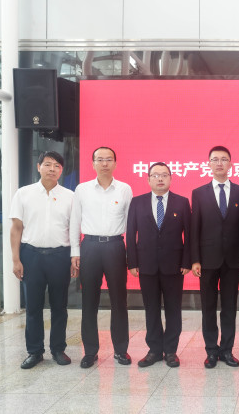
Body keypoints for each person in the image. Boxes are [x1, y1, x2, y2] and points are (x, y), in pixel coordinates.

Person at [10, 151, 75, 369]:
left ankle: (58, 349)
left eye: (57, 166)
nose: (52, 169)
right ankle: (35, 351)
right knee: (33, 307)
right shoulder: (23, 194)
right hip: (31, 256)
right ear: (39, 167)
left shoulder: (70, 196)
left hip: (60, 256)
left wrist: (74, 257)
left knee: (60, 306)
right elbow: (16, 228)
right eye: (47, 164)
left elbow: (74, 229)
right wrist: (16, 259)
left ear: (61, 170)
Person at [70, 146, 133, 368]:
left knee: (119, 301)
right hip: (90, 246)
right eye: (100, 159)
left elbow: (131, 223)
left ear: (115, 163)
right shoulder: (82, 189)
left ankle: (121, 350)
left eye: (108, 159)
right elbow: (75, 221)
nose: (104, 163)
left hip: (116, 246)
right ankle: (90, 352)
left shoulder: (124, 189)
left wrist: (131, 253)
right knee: (89, 302)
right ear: (93, 163)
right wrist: (75, 251)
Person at [126, 162, 191, 368]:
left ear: (171, 178)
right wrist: (132, 262)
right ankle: (154, 350)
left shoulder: (182, 202)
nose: (160, 178)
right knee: (151, 309)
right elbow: (130, 233)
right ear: (148, 179)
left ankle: (171, 350)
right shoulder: (137, 202)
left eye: (164, 175)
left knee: (173, 309)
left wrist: (187, 261)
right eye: (155, 175)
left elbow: (189, 235)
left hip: (174, 266)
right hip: (146, 265)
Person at [191, 146, 239, 368]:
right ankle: (211, 351)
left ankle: (227, 350)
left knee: (229, 307)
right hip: (207, 259)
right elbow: (195, 228)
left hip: (233, 259)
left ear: (231, 163)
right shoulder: (199, 193)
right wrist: (195, 259)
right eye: (215, 159)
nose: (220, 163)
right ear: (209, 164)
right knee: (208, 307)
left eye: (224, 159)